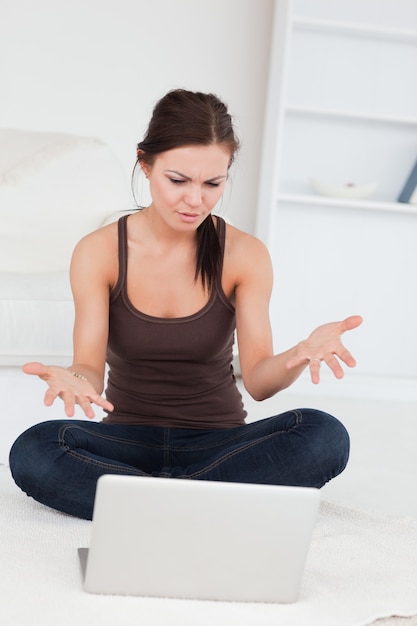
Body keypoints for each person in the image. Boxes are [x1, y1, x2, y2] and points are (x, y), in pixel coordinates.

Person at [9, 89, 362, 520]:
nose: (195, 200)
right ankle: (205, 503)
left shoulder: (244, 254)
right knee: (35, 449)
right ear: (145, 163)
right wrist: (74, 378)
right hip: (125, 442)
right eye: (178, 180)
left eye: (213, 184)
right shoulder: (98, 251)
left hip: (220, 444)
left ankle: (144, 505)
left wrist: (299, 355)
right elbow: (89, 371)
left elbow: (259, 382)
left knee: (324, 436)